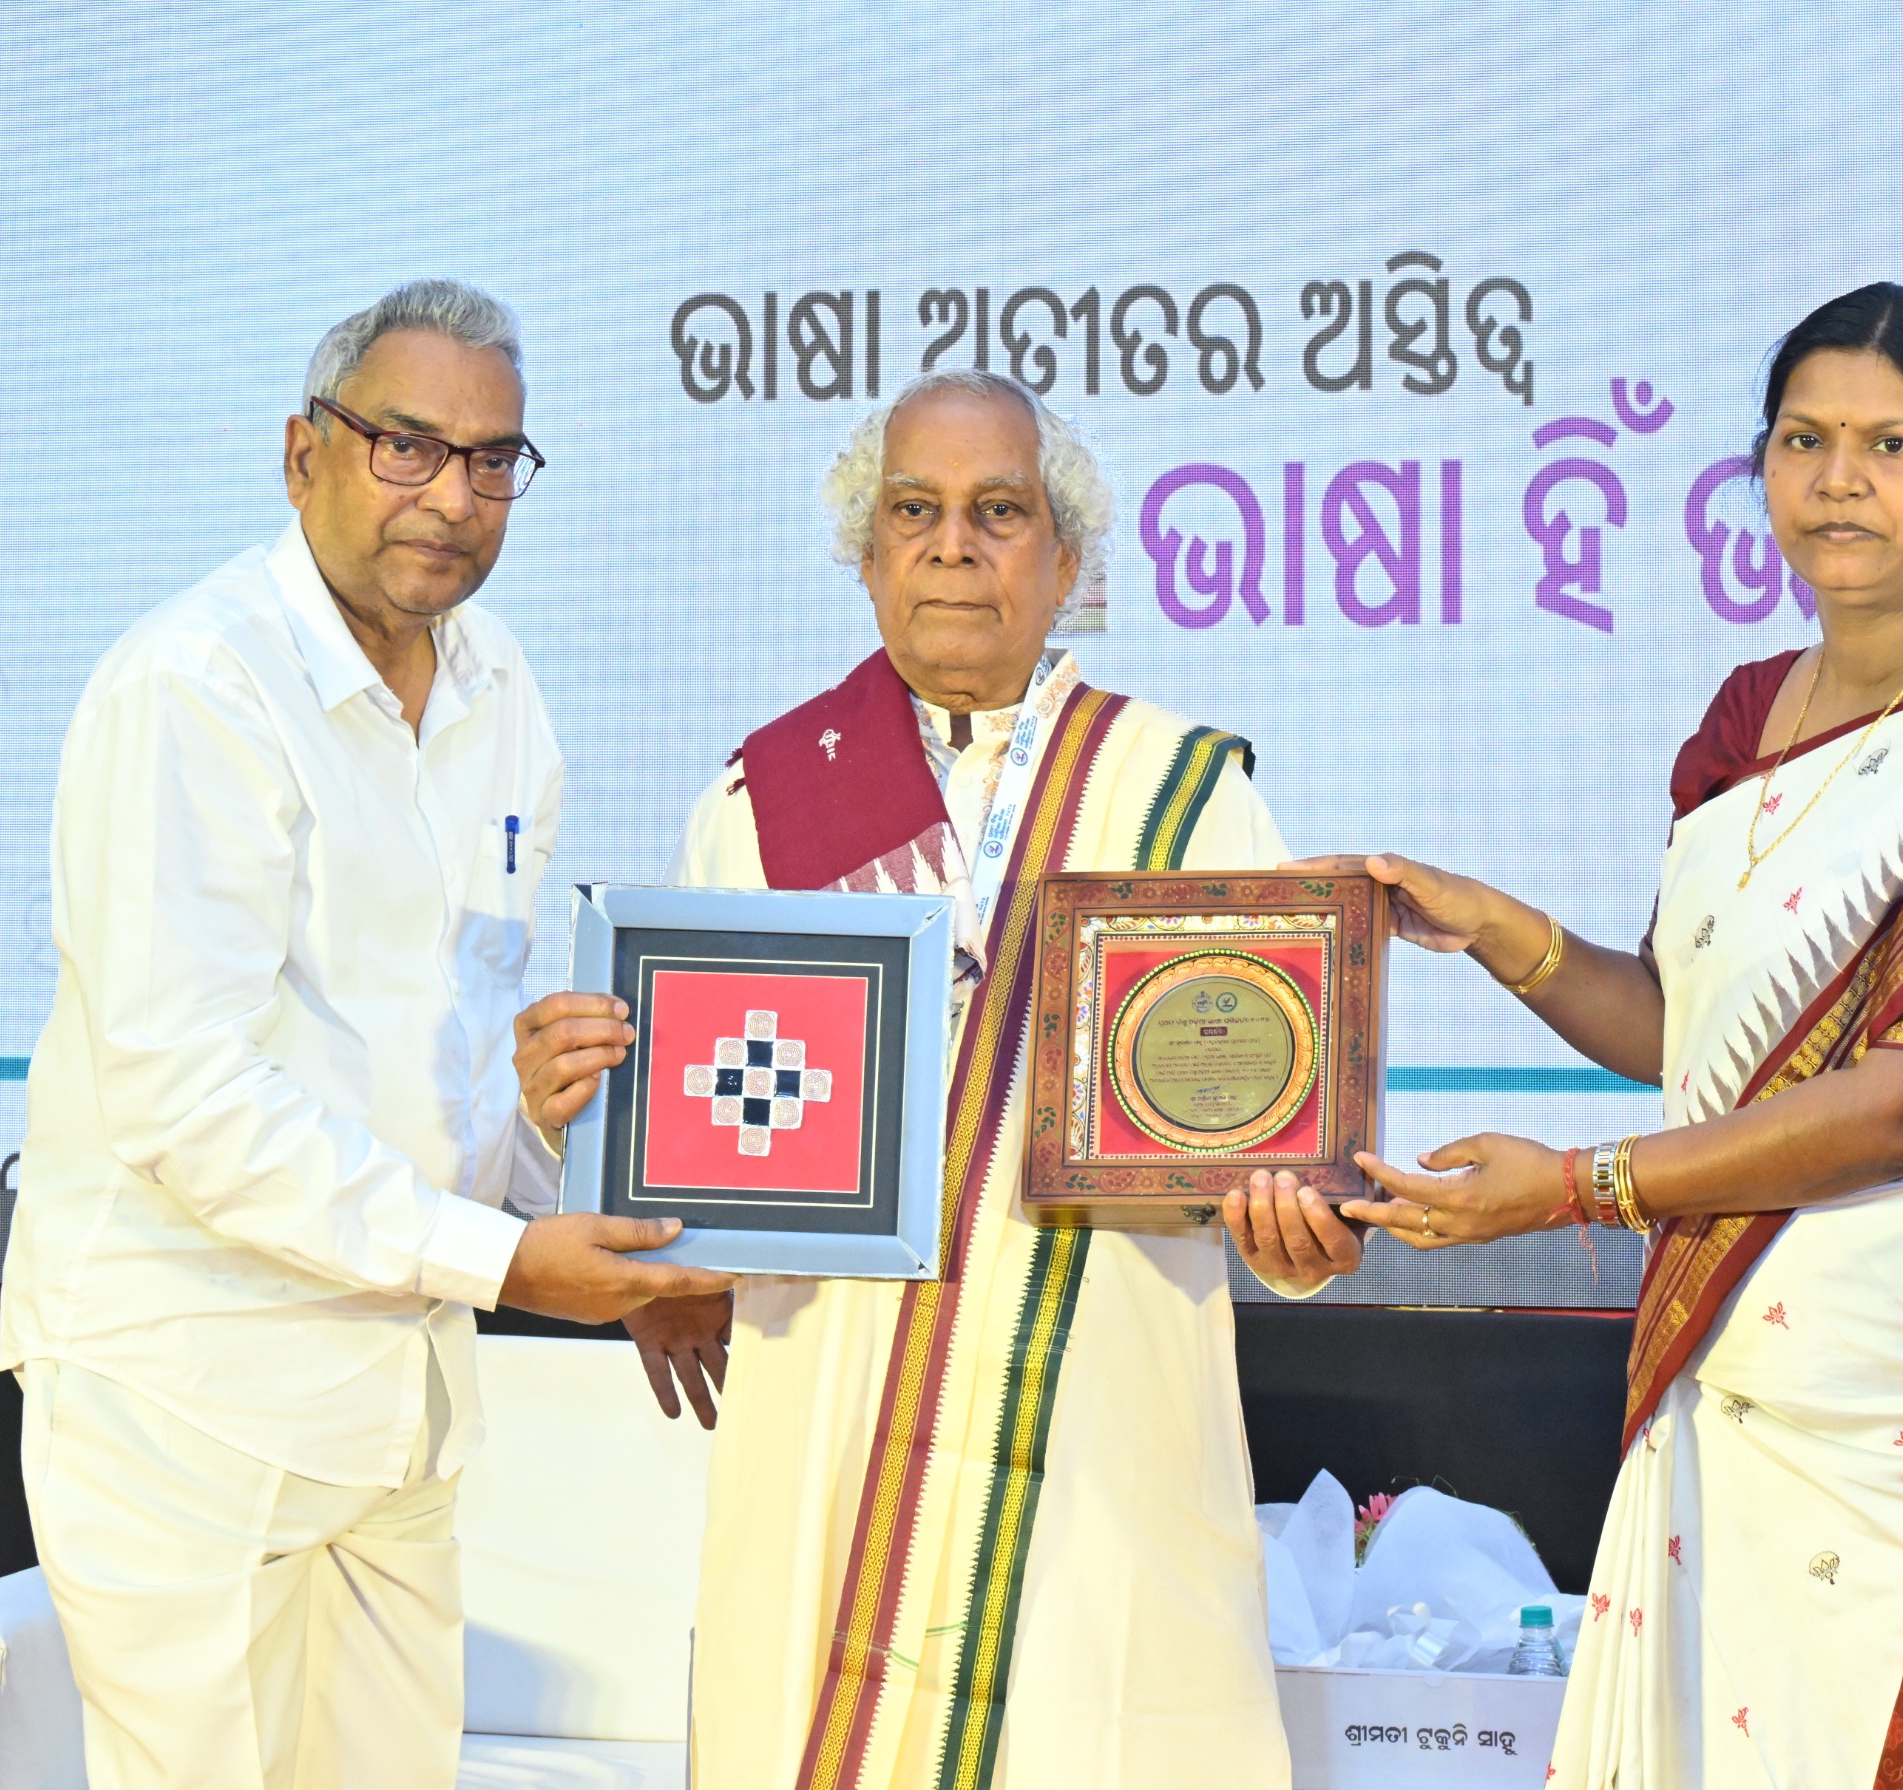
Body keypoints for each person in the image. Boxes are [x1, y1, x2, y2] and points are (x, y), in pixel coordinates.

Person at [1314, 285, 1903, 1787]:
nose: (1839, 480)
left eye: (1892, 445)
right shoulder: (1750, 717)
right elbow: (1690, 1031)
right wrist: (1499, 928)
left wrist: (1580, 1188)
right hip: (1732, 1371)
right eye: (1803, 439)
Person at [514, 368, 1353, 1789]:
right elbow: (687, 1139)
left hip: (1101, 1420)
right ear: (867, 554)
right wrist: (598, 1149)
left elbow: (1265, 1121)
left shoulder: (1186, 790)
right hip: (835, 1415)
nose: (953, 545)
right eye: (915, 510)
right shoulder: (760, 804)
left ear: (1069, 562)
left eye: (998, 511)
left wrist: (1299, 1222)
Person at [0, 280, 729, 1788]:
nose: (451, 495)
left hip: (399, 1400)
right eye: (407, 445)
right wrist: (510, 1264)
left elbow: (461, 1054)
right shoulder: (199, 685)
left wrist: (597, 1208)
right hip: (189, 1389)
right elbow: (184, 1092)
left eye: (492, 459)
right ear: (302, 454)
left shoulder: (500, 687)